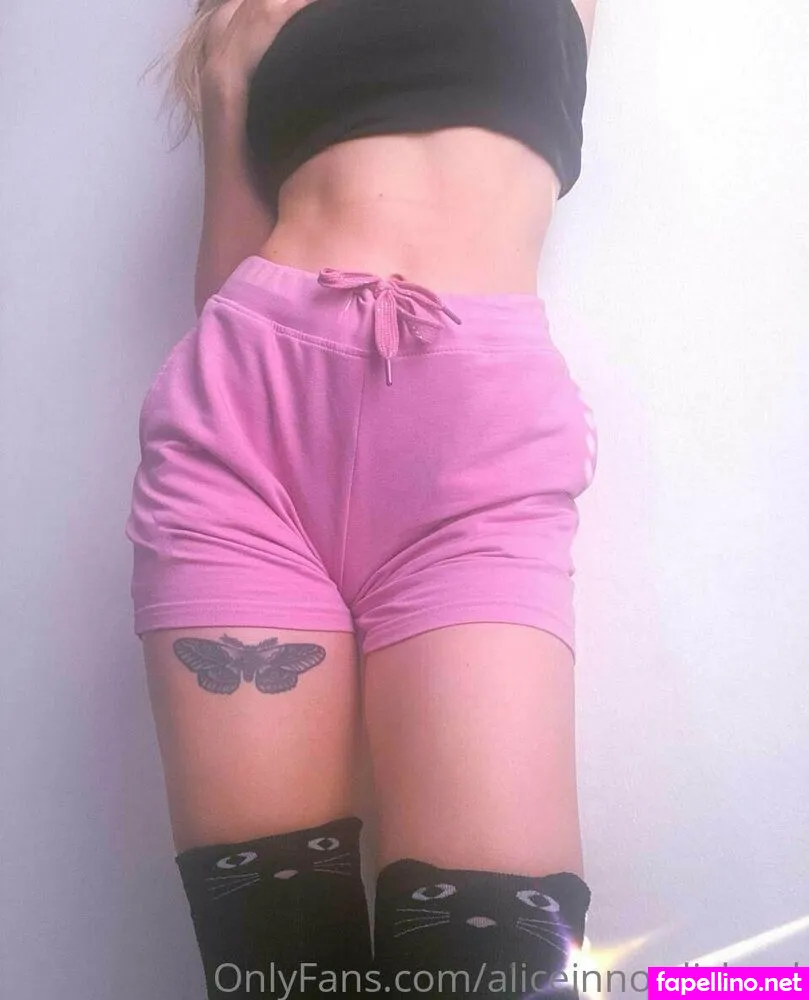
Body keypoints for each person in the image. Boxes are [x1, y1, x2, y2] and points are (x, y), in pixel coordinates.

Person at [125, 0, 600, 997]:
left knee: (498, 953)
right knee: (275, 949)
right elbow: (225, 276)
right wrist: (225, 81)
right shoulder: (254, 12)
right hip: (246, 435)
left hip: (474, 454)